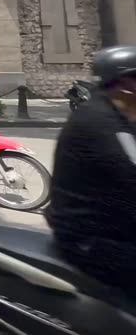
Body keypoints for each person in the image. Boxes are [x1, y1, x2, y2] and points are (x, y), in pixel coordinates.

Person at [47, 45, 136, 301]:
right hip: (90, 239)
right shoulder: (101, 123)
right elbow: (130, 175)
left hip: (115, 230)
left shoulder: (120, 114)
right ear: (127, 84)